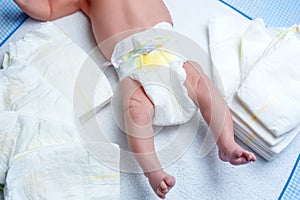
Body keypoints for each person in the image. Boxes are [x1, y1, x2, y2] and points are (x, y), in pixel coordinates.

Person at [14, 0, 257, 199]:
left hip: (170, 51)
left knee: (204, 85)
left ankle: (227, 144)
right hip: (131, 64)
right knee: (134, 109)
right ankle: (154, 170)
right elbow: (48, 9)